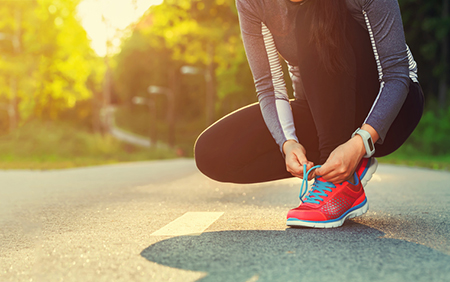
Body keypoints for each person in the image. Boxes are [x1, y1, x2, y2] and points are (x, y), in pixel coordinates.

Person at [194, 0, 424, 228]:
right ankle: (340, 162)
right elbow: (270, 87)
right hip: (324, 112)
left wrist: (360, 142)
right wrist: (288, 143)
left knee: (311, 15)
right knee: (212, 152)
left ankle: (341, 183)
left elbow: (397, 74)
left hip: (391, 113)